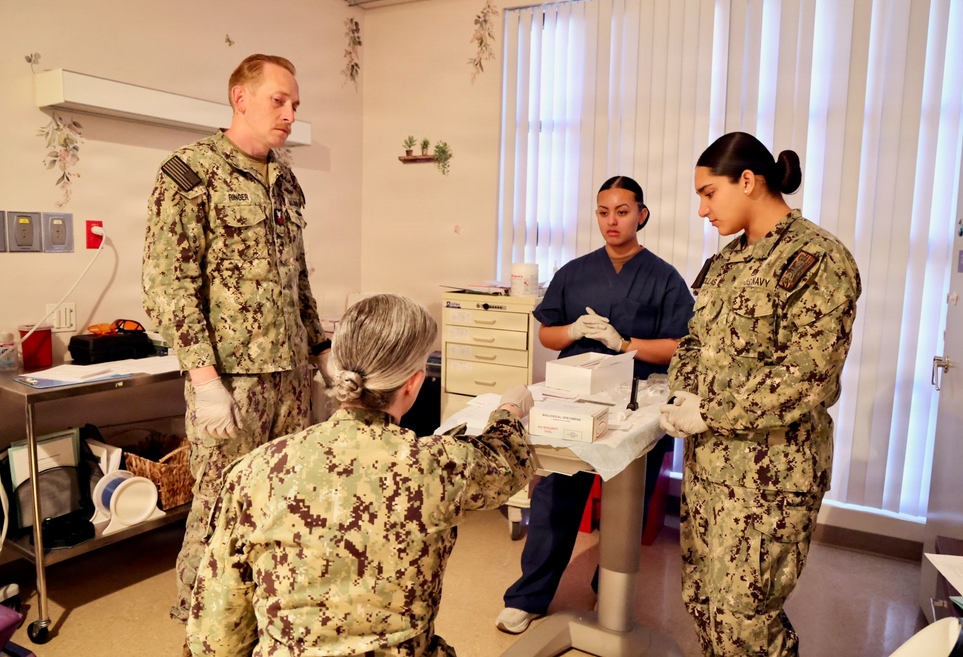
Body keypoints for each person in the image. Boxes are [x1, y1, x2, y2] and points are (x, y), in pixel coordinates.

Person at [186, 294, 538, 656]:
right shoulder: (439, 467)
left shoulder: (256, 470)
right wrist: (509, 409)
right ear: (414, 383)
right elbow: (509, 460)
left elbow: (216, 633)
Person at [141, 54, 335, 634]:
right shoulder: (190, 172)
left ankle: (266, 617)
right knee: (218, 506)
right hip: (229, 383)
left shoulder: (285, 177)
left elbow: (296, 276)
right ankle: (200, 627)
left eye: (296, 104)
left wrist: (322, 355)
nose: (290, 113)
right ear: (240, 97)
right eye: (279, 100)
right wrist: (204, 381)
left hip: (290, 379)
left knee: (284, 500)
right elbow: (167, 285)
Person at [660, 131, 862, 656]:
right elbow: (694, 342)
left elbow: (809, 374)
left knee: (745, 620)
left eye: (708, 193)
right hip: (711, 471)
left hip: (769, 477)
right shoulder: (726, 264)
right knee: (703, 602)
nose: (702, 209)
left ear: (747, 181)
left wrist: (710, 409)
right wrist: (682, 397)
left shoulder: (818, 258)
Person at [496, 176, 695, 634]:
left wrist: (623, 342)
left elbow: (680, 346)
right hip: (576, 400)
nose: (612, 220)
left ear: (641, 215)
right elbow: (547, 332)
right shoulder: (575, 271)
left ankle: (610, 590)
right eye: (603, 211)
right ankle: (528, 597)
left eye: (622, 211)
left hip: (636, 406)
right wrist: (574, 333)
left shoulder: (663, 277)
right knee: (554, 498)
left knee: (629, 505)